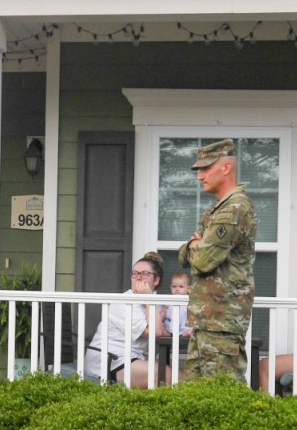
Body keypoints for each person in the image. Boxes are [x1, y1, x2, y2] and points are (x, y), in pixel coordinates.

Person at [178, 139, 257, 382]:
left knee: (222, 397)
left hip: (222, 320)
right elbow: (185, 256)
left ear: (225, 168)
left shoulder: (234, 209)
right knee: (194, 398)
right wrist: (193, 246)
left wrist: (194, 245)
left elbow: (201, 261)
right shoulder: (216, 210)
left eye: (205, 169)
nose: (199, 177)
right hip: (207, 320)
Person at [83, 252, 168, 388]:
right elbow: (156, 332)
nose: (138, 278)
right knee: (165, 374)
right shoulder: (124, 303)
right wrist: (147, 299)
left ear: (156, 280)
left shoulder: (155, 303)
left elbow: (164, 331)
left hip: (132, 358)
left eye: (144, 274)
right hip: (109, 360)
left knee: (176, 375)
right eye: (135, 273)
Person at [161, 271, 192, 338]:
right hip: (169, 327)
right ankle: (168, 332)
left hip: (184, 327)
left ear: (188, 289)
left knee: (190, 329)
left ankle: (186, 332)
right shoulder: (169, 300)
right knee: (162, 325)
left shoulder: (189, 301)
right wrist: (161, 319)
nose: (177, 289)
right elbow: (163, 312)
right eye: (174, 286)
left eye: (181, 287)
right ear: (170, 287)